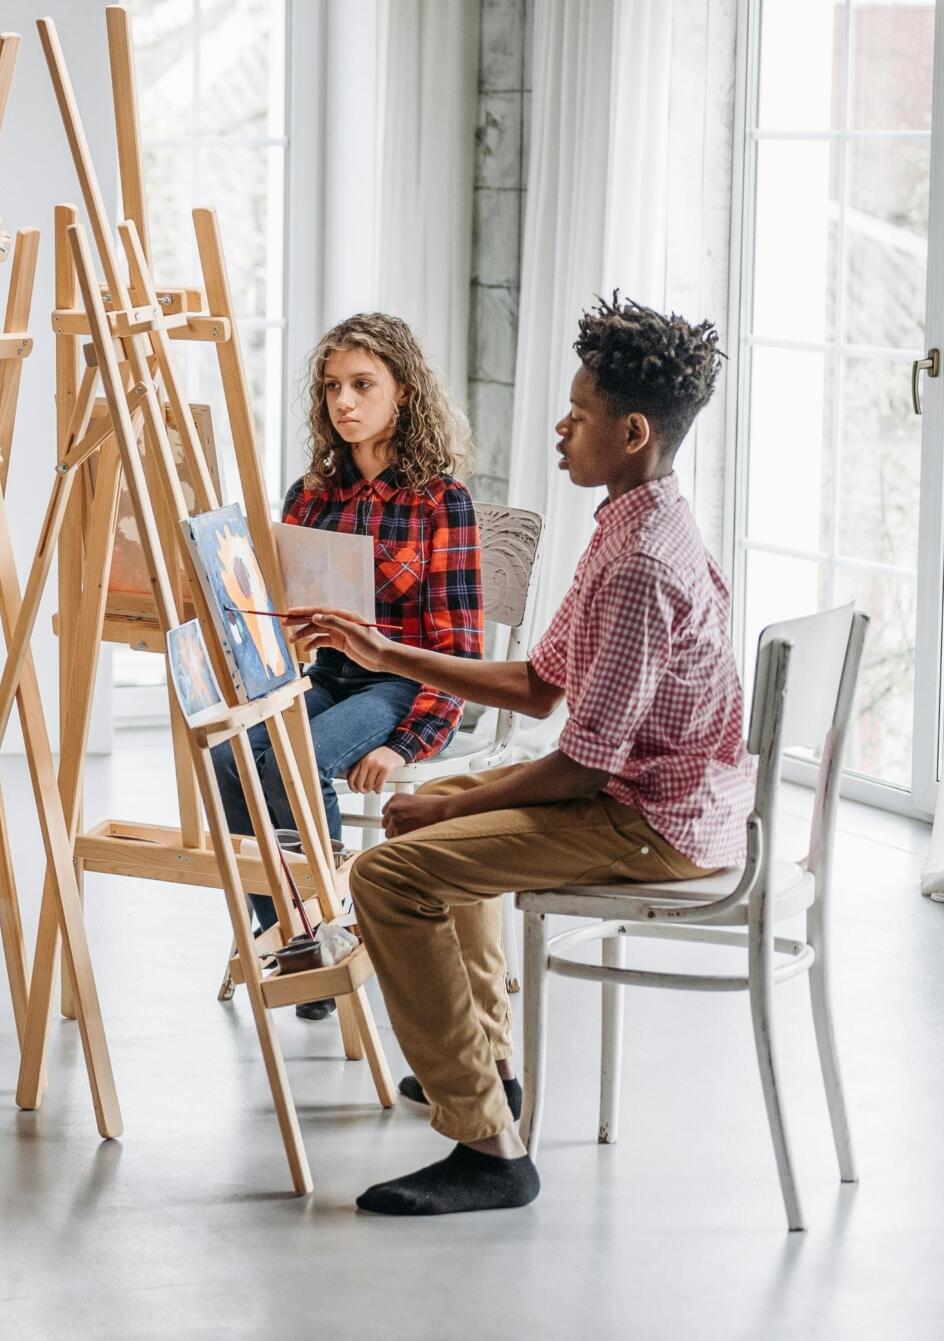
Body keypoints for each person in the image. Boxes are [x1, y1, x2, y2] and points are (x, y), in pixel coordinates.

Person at [296, 295, 745, 1218]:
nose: (560, 425)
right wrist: (387, 654)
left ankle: (485, 1143)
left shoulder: (638, 563)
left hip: (650, 823)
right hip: (657, 796)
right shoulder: (632, 520)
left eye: (578, 415)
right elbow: (541, 685)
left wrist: (447, 808)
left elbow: (580, 764)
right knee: (453, 798)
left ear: (629, 432)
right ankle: (494, 1067)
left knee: (390, 873)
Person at [209, 314, 482, 1017]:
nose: (345, 401)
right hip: (325, 674)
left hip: (402, 681)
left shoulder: (439, 501)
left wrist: (404, 744)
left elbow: (457, 648)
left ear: (404, 394)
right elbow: (278, 605)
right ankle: (291, 927)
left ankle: (328, 931)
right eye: (333, 386)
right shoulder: (311, 494)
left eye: (363, 384)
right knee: (232, 754)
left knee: (294, 759)